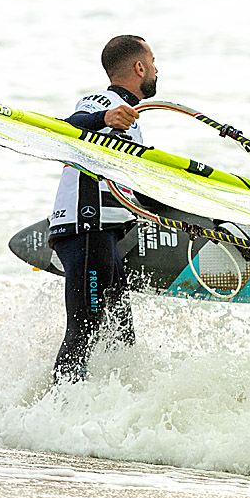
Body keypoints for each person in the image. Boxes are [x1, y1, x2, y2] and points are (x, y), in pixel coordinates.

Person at [48, 35, 159, 383]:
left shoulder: (134, 121)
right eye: (153, 61)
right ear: (139, 67)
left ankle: (110, 409)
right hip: (86, 228)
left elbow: (137, 187)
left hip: (107, 234)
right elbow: (71, 125)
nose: (157, 69)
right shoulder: (102, 101)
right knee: (84, 327)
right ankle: (55, 412)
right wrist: (105, 117)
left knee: (120, 332)